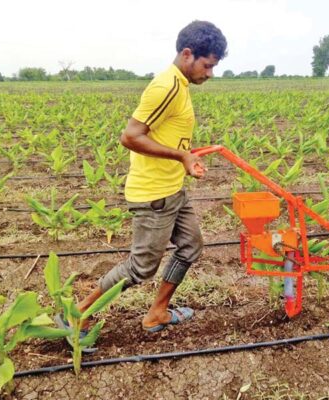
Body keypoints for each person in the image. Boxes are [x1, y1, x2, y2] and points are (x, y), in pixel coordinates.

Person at [71, 21, 227, 334]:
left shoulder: (180, 84)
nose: (210, 74)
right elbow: (130, 137)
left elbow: (164, 135)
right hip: (154, 195)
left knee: (191, 246)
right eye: (207, 65)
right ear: (187, 54)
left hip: (173, 188)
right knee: (141, 267)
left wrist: (186, 154)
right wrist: (182, 156)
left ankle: (157, 312)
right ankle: (79, 312)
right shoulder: (166, 86)